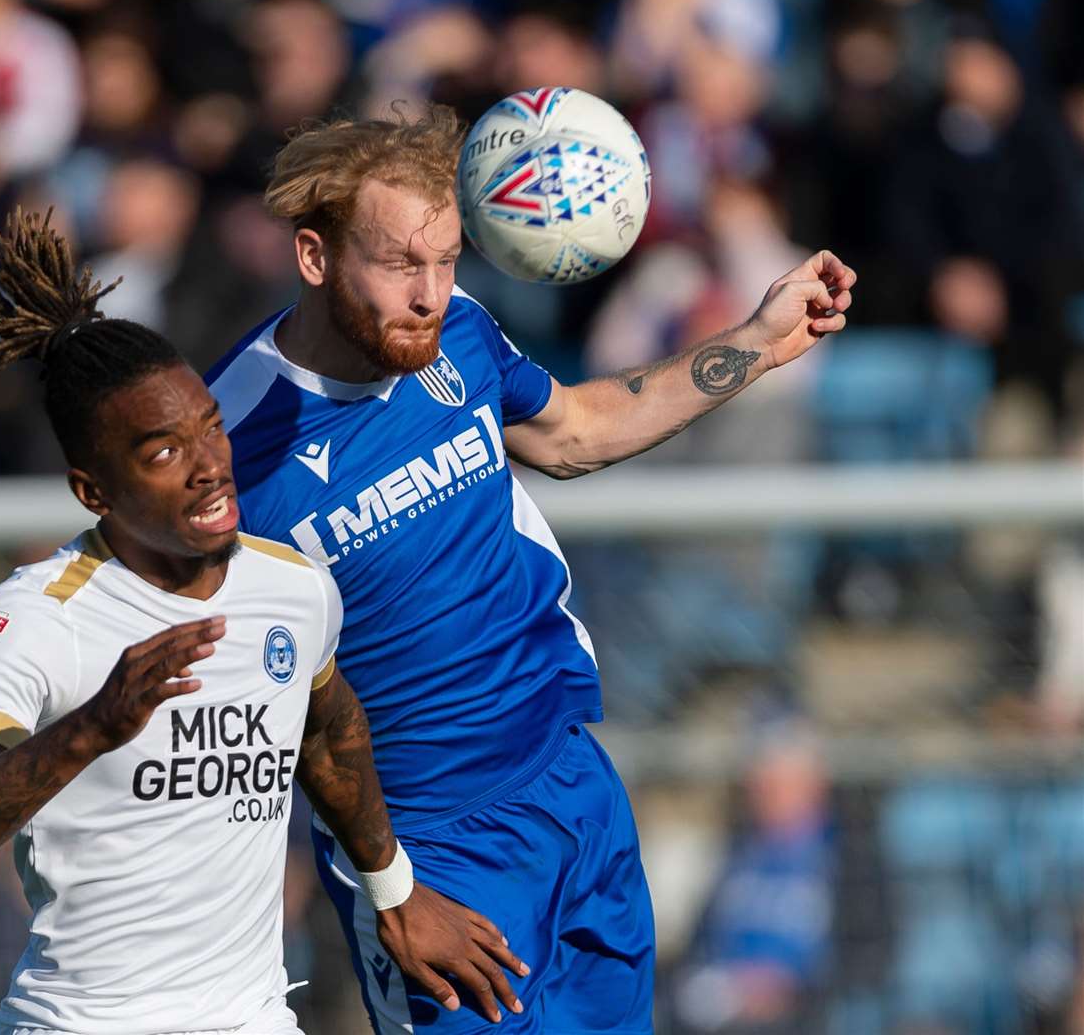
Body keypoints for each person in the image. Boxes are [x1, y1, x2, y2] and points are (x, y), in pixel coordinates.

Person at [205, 105, 855, 1033]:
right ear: (314, 257)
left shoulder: (458, 334)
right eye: (399, 265)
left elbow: (575, 431)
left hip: (571, 787)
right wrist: (390, 887)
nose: (430, 293)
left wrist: (758, 341)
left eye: (447, 261)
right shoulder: (230, 445)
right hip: (431, 860)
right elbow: (245, 693)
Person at [0, 209, 527, 1035]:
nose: (208, 466)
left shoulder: (290, 586)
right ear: (92, 490)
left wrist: (392, 891)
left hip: (251, 1018)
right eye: (162, 452)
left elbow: (327, 735)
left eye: (210, 428)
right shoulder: (38, 617)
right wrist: (89, 731)